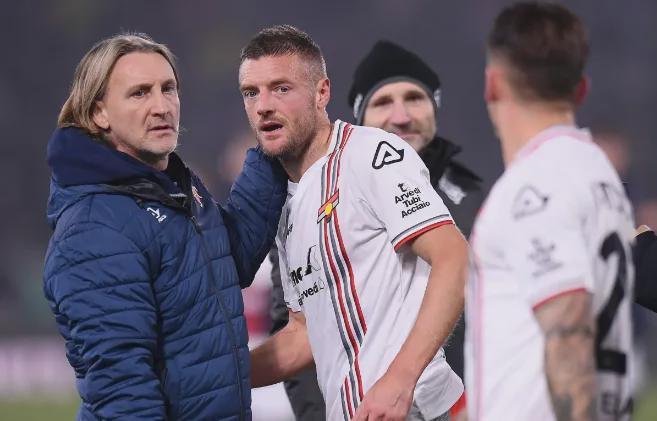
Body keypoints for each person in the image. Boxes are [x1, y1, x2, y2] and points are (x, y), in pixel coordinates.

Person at [43, 33, 287, 420]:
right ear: (99, 113)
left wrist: (271, 151)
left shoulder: (170, 190)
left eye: (168, 88)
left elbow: (227, 260)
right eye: (139, 93)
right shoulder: (95, 226)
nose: (161, 106)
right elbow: (123, 393)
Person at [240, 25, 466, 421]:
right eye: (251, 92)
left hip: (412, 408)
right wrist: (216, 375)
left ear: (321, 93)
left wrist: (400, 380)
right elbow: (302, 335)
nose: (263, 106)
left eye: (281, 88)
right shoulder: (286, 205)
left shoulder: (371, 153)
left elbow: (455, 259)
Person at [465, 3, 634, 420]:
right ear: (581, 90)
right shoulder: (598, 174)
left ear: (492, 84)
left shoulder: (536, 186)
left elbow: (569, 335)